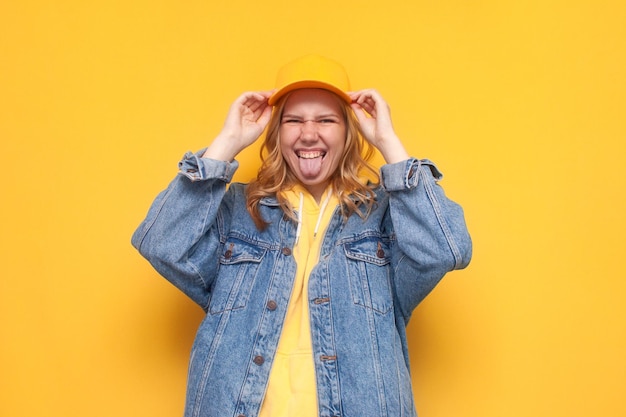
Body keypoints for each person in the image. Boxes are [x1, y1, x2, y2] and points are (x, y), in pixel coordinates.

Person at [132, 54, 472, 417]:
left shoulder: (385, 216)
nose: (309, 133)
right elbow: (161, 243)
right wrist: (227, 142)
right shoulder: (236, 211)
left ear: (349, 131)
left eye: (326, 120)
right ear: (277, 133)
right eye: (294, 120)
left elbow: (447, 249)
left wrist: (389, 143)